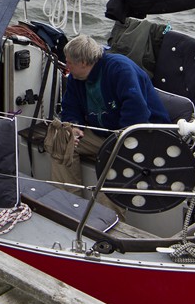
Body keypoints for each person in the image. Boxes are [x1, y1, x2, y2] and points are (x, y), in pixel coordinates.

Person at [50, 34, 170, 214]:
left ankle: (106, 220)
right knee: (62, 140)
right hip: (104, 134)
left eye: (69, 63)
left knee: (116, 165)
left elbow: (137, 112)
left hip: (139, 137)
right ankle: (68, 207)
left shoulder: (120, 69)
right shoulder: (76, 78)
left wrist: (118, 142)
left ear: (83, 62)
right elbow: (70, 107)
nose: (66, 67)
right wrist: (74, 126)